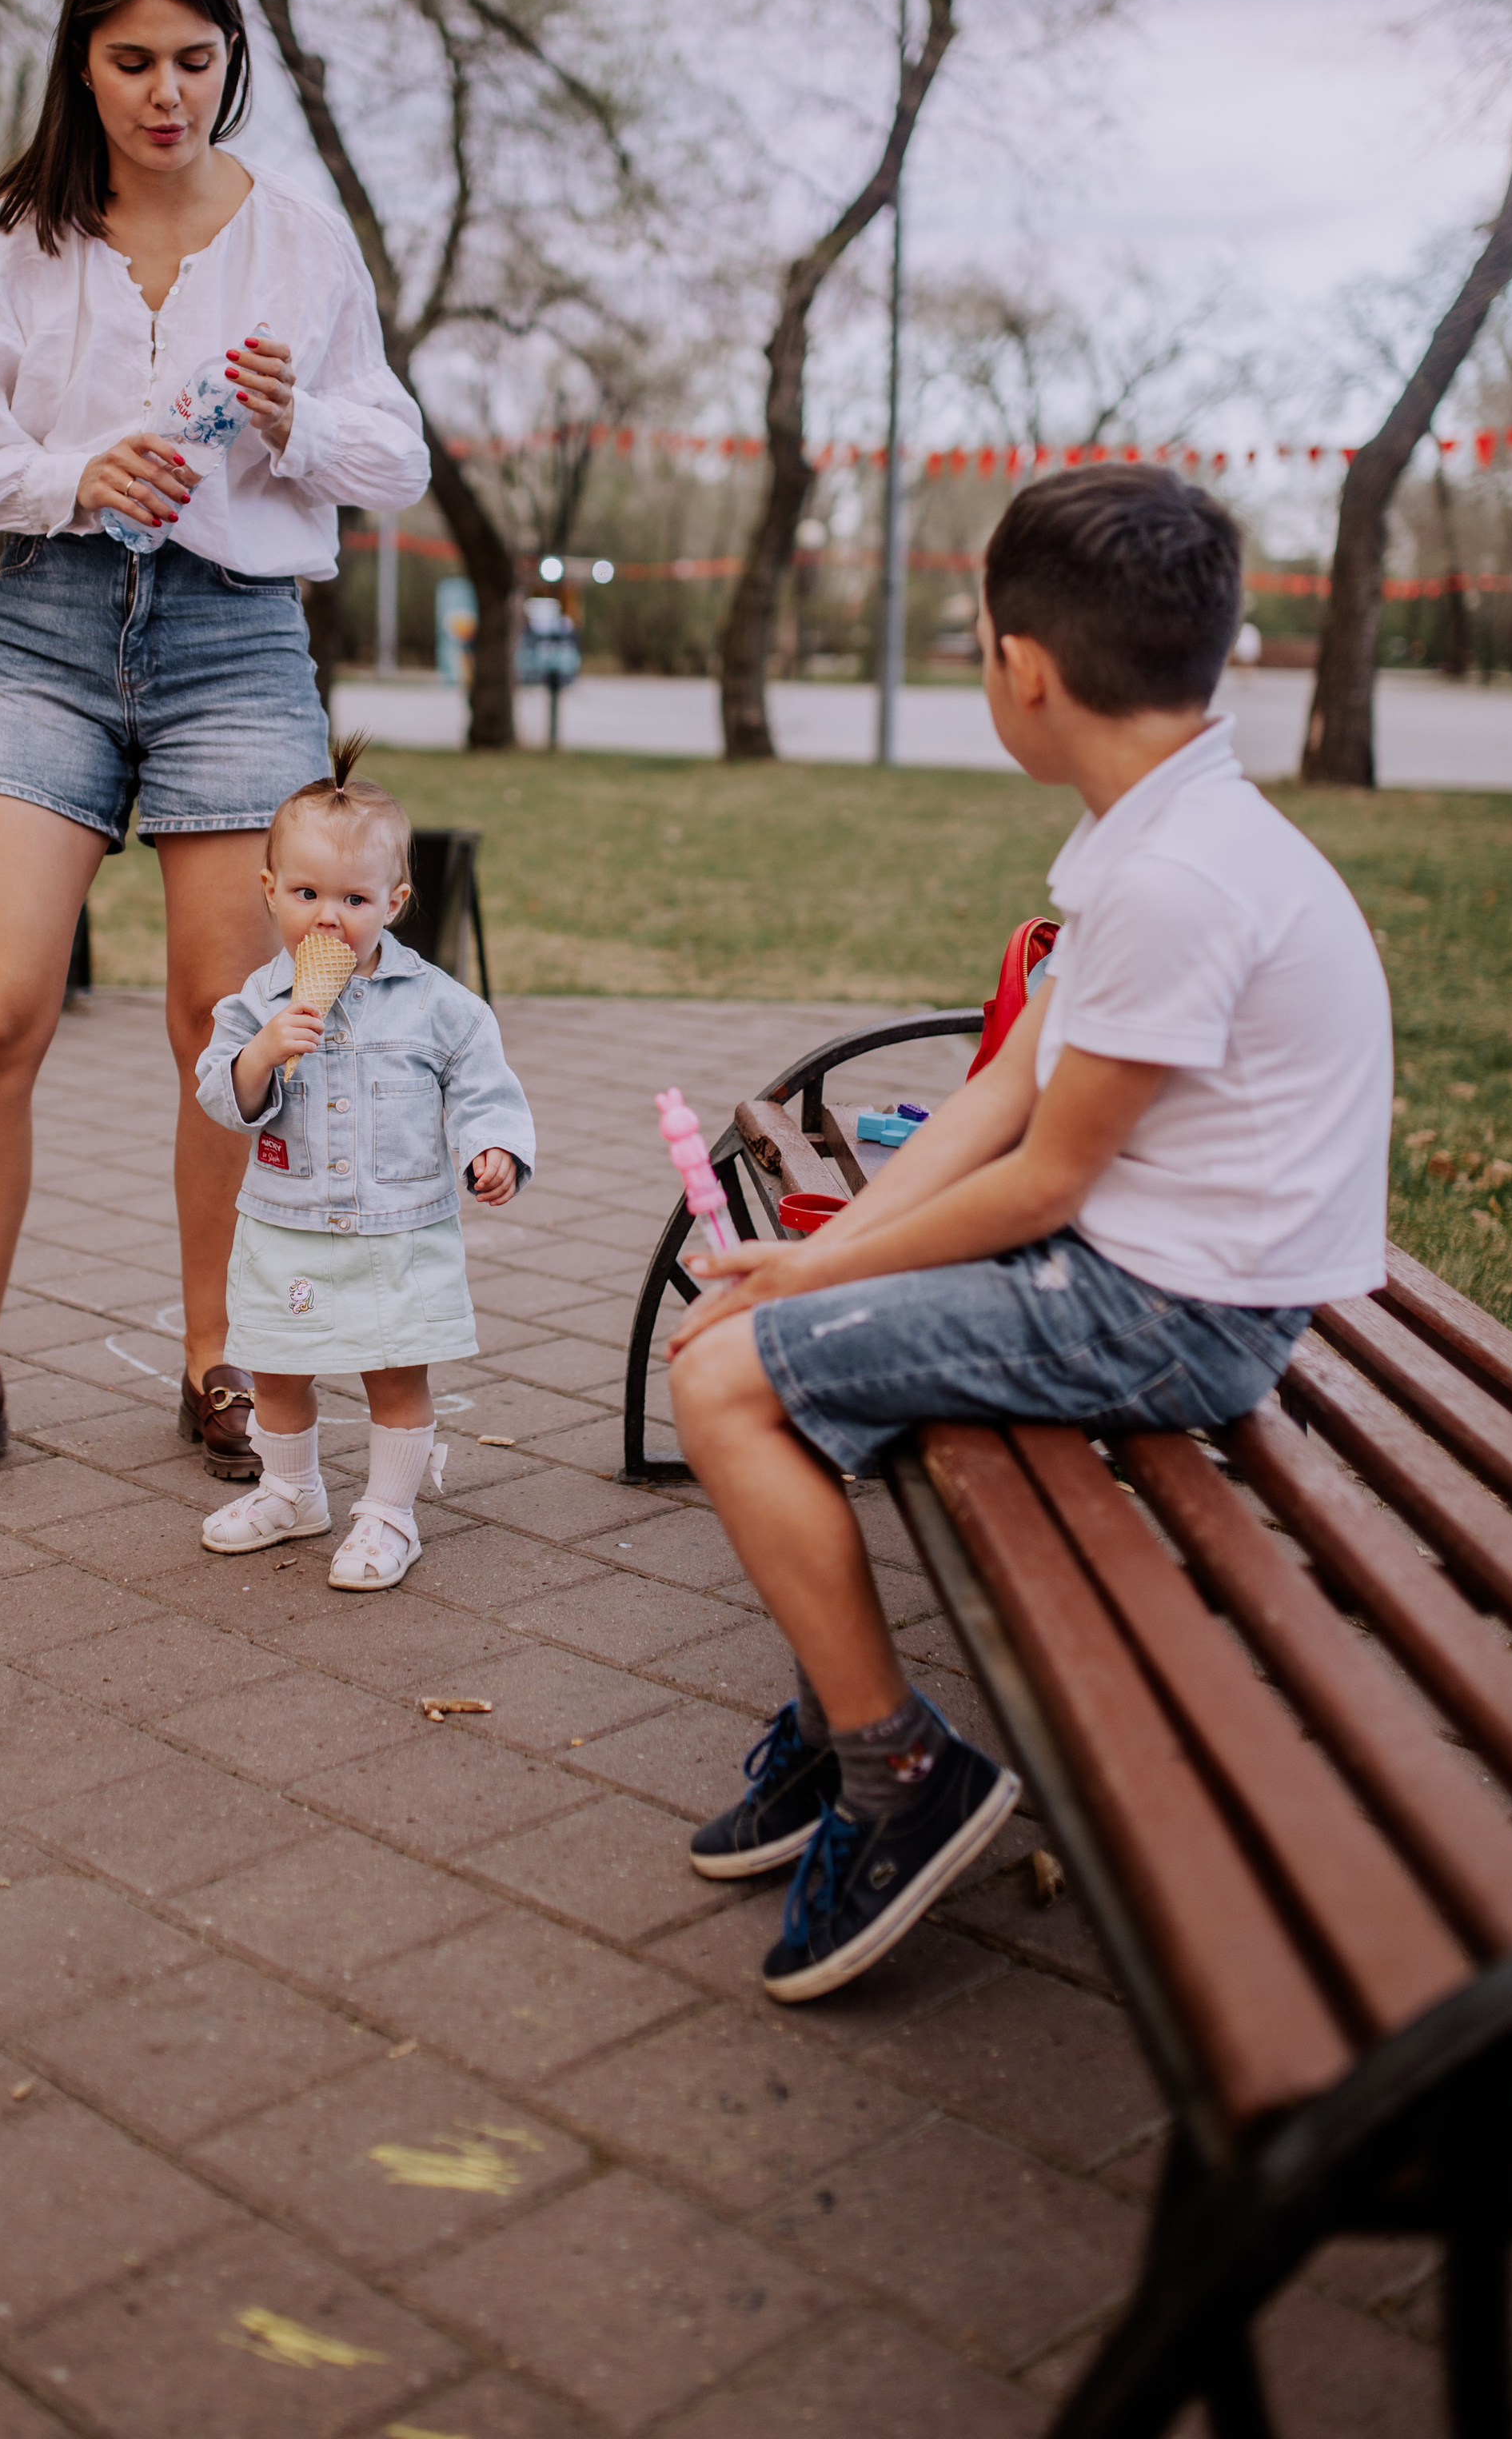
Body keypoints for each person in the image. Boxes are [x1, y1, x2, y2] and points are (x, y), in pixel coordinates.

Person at [669, 465, 1390, 2004]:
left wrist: (812, 1270)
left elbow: (1046, 1182)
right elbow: (1004, 1090)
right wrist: (830, 1246)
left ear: (1025, 669)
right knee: (760, 1337)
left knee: (721, 1381)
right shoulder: (1161, 823)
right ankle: (841, 1724)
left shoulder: (1179, 879)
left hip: (1170, 1315)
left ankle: (899, 1771)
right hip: (1144, 1270)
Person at [0, 0, 429, 1506]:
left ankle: (218, 1360)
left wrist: (292, 422)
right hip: (48, 629)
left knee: (222, 1027)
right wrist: (74, 470)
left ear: (228, 62)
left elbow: (394, 454)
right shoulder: (21, 233)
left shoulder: (296, 239)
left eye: (193, 60)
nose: (165, 93)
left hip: (234, 643)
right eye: (131, 62)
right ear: (82, 64)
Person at [193, 738, 535, 1588]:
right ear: (270, 890)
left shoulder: (440, 1005)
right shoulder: (256, 1003)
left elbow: (483, 1084)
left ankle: (389, 1514)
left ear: (395, 902)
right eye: (306, 894)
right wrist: (263, 1053)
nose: (328, 918)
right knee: (277, 1370)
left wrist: (493, 1146)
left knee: (395, 1374)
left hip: (398, 1230)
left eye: (353, 899)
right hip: (287, 1226)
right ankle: (291, 1492)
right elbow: (219, 1097)